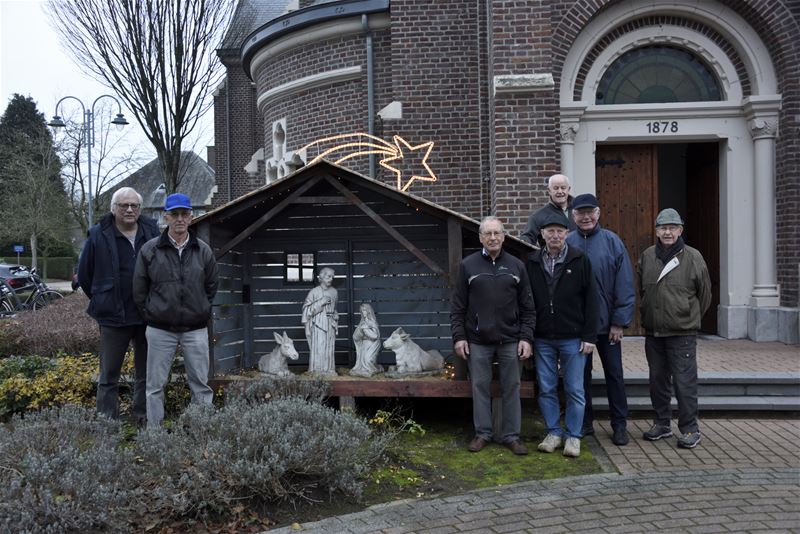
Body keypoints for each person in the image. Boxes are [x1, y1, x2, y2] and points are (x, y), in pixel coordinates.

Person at [451, 216, 535, 456]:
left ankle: (511, 436)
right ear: (480, 238)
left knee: (512, 387)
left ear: (504, 236)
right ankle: (483, 434)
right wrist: (459, 337)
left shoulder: (517, 266)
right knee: (479, 387)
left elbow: (529, 307)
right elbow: (458, 306)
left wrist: (526, 338)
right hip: (477, 340)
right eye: (487, 233)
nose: (493, 237)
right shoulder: (468, 265)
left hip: (511, 340)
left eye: (497, 233)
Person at [133, 193, 218, 428]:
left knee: (200, 384)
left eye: (184, 214)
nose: (180, 219)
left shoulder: (203, 251)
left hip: (195, 329)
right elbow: (139, 290)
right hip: (160, 330)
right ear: (166, 217)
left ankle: (201, 431)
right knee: (155, 386)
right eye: (174, 214)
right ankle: (154, 436)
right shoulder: (150, 251)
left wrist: (199, 310)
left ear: (191, 217)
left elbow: (211, 287)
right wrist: (152, 314)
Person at [78, 187, 159, 423]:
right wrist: (103, 298)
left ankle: (141, 418)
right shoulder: (98, 235)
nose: (129, 210)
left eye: (134, 205)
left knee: (145, 373)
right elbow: (85, 275)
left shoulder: (152, 232)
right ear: (114, 209)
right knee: (109, 375)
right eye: (124, 205)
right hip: (113, 317)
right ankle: (107, 422)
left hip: (146, 316)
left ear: (140, 209)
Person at [527, 211, 598, 458]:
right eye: (550, 231)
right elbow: (527, 301)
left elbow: (592, 300)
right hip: (543, 337)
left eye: (560, 231)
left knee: (575, 389)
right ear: (542, 234)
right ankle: (554, 432)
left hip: (573, 337)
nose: (555, 235)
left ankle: (574, 436)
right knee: (546, 387)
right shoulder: (532, 262)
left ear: (567, 234)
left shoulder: (580, 260)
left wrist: (590, 336)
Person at [638, 208, 711, 449]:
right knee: (657, 381)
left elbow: (705, 295)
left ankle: (690, 429)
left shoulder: (693, 257)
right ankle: (662, 424)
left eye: (672, 227)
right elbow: (642, 291)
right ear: (656, 231)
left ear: (680, 230)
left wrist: (686, 317)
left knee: (684, 383)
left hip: (682, 334)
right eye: (662, 228)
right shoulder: (648, 256)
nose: (667, 232)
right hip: (654, 333)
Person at [566, 193, 635, 446]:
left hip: (608, 328)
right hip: (579, 328)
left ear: (598, 214)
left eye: (589, 212)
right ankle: (585, 424)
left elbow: (625, 283)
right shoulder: (567, 243)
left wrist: (619, 321)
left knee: (614, 376)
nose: (585, 217)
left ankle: (619, 425)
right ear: (573, 216)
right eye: (580, 213)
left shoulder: (612, 242)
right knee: (580, 378)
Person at [520, 174, 577, 247]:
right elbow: (528, 238)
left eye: (563, 188)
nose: (560, 191)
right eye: (556, 188)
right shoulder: (538, 216)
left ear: (568, 189)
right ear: (549, 191)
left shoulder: (579, 209)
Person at [302, 267, 338, 376]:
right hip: (318, 325)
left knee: (329, 348)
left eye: (332, 277)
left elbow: (335, 308)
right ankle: (317, 370)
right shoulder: (314, 292)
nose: (331, 279)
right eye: (328, 276)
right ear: (321, 277)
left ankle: (329, 369)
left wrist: (335, 315)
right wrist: (320, 303)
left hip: (330, 323)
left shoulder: (334, 292)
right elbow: (306, 311)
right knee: (320, 347)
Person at [350, 302, 383, 377]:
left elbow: (375, 336)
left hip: (372, 345)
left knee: (368, 361)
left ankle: (377, 368)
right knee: (362, 363)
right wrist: (361, 332)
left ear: (368, 311)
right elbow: (355, 336)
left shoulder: (372, 322)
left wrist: (366, 330)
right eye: (361, 310)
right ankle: (362, 370)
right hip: (364, 345)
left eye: (364, 310)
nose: (363, 312)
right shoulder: (362, 323)